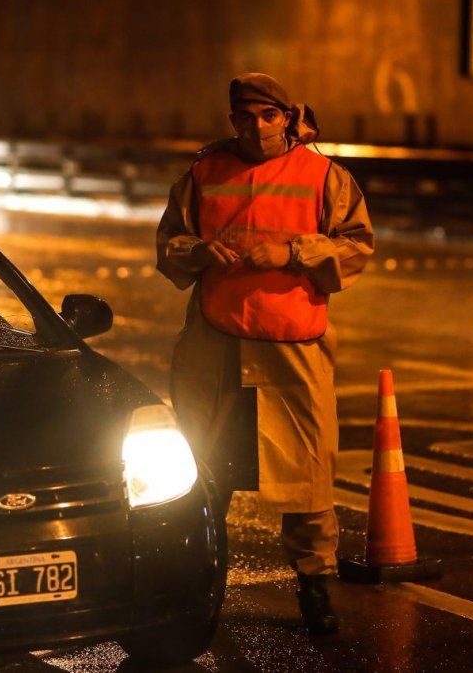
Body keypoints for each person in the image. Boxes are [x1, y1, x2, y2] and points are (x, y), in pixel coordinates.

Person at [155, 73, 374, 635]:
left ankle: (314, 585)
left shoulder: (324, 176)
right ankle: (197, 579)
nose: (256, 127)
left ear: (288, 117)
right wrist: (200, 252)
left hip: (293, 346)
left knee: (307, 474)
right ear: (232, 120)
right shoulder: (204, 172)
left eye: (268, 116)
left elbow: (356, 245)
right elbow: (170, 243)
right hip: (215, 347)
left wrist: (294, 252)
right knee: (203, 468)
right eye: (245, 118)